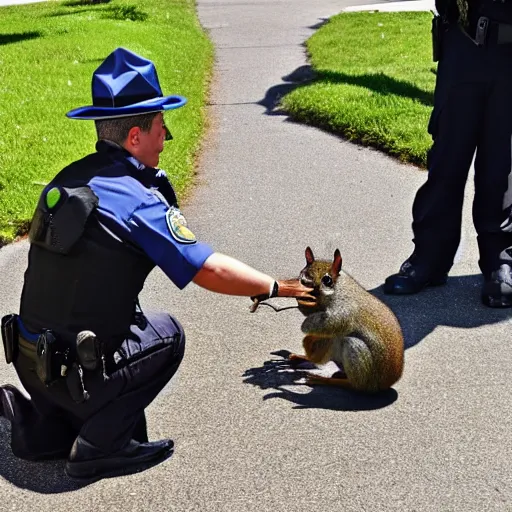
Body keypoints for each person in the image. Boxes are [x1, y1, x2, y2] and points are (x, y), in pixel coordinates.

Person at [0, 47, 314, 481]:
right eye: (162, 128)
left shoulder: (68, 179)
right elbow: (206, 268)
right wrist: (275, 287)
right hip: (78, 373)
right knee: (167, 335)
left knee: (122, 318)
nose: (166, 140)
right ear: (134, 136)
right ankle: (100, 447)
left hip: (31, 359)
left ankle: (42, 430)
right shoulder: (137, 200)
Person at [383, 0, 512, 307]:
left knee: (500, 162)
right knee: (447, 158)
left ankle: (500, 261)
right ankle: (430, 258)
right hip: (461, 44)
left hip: (508, 51)